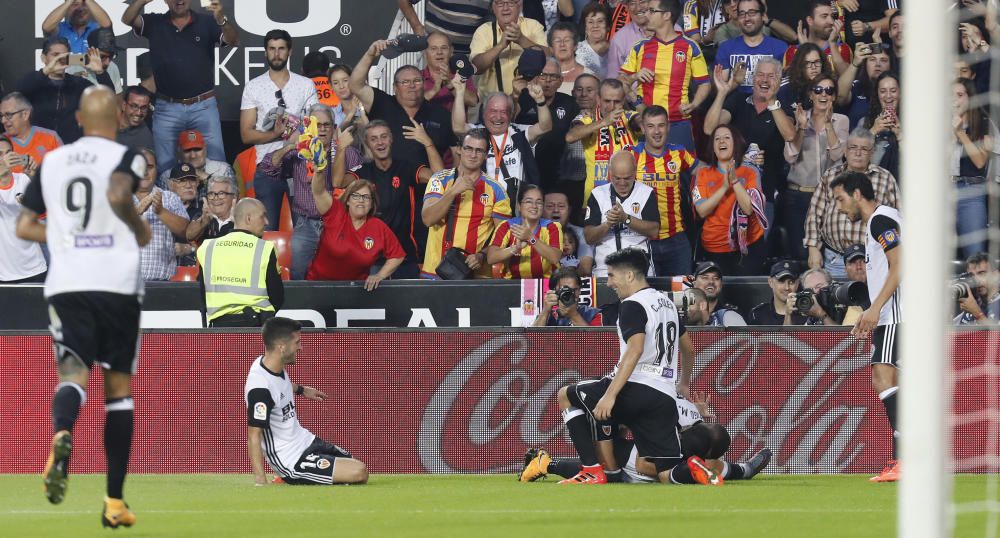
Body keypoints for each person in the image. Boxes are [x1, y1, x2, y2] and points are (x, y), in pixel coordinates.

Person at [15, 85, 151, 528]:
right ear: (116, 116)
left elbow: (23, 225)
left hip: (67, 283)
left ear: (77, 119)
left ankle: (63, 429)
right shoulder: (127, 155)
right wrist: (136, 226)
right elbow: (116, 193)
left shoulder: (53, 161)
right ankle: (114, 502)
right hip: (115, 283)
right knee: (118, 392)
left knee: (73, 373)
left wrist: (68, 239)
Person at [554, 247, 718, 485]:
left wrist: (610, 395)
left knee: (566, 395)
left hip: (636, 388)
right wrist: (683, 384)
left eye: (611, 275)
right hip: (664, 396)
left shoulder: (632, 304)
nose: (609, 282)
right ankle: (692, 469)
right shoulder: (668, 303)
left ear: (629, 276)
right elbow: (689, 349)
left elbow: (635, 349)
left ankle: (593, 470)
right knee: (665, 473)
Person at [521, 391, 773, 483]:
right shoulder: (689, 409)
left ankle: (546, 463)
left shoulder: (650, 393)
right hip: (692, 444)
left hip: (654, 449)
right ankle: (739, 469)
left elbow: (641, 450)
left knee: (626, 467)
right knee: (700, 466)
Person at [829, 171, 902, 483]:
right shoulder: (888, 219)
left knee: (882, 377)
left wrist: (875, 308)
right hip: (900, 312)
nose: (840, 207)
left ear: (858, 193)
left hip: (897, 313)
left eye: (841, 199)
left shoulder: (880, 220)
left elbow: (901, 263)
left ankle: (906, 460)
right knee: (894, 382)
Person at [246, 317, 368, 486]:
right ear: (281, 347)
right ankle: (288, 477)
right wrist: (260, 480)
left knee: (355, 463)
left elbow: (279, 386)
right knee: (359, 472)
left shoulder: (268, 363)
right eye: (297, 342)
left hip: (305, 440)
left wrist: (302, 390)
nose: (300, 347)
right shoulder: (260, 389)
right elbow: (254, 435)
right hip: (291, 459)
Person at [122, 0, 239, 173]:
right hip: (167, 108)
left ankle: (216, 200)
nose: (179, 1)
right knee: (165, 168)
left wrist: (221, 19)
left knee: (217, 166)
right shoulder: (155, 22)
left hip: (203, 106)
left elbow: (233, 40)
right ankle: (170, 201)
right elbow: (127, 19)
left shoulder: (207, 22)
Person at [258, 104, 357, 278]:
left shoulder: (347, 153)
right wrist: (290, 146)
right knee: (298, 274)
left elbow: (359, 184)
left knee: (343, 274)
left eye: (326, 125)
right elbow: (267, 168)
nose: (322, 129)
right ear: (309, 127)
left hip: (340, 225)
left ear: (334, 129)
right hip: (306, 225)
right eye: (317, 125)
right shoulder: (299, 153)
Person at [336, 120, 443, 279]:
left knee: (406, 304)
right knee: (374, 304)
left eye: (384, 137)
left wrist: (428, 143)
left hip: (405, 256)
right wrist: (341, 148)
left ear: (391, 139)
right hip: (372, 257)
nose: (380, 142)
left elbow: (439, 177)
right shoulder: (364, 171)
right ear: (367, 144)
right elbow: (337, 182)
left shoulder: (406, 168)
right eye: (373, 139)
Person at [240, 29, 319, 230]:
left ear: (290, 51)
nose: (277, 54)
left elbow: (315, 126)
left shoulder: (305, 85)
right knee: (265, 230)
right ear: (265, 52)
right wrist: (275, 134)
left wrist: (297, 130)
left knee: (305, 231)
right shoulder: (254, 86)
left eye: (281, 49)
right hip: (267, 166)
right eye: (272, 49)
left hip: (300, 165)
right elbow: (246, 135)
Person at [703, 60, 796, 220]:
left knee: (759, 244)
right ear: (753, 79)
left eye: (771, 76)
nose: (765, 80)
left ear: (779, 82)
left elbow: (789, 135)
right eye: (760, 75)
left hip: (765, 193)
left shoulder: (783, 107)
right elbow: (709, 129)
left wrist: (772, 102)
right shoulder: (738, 100)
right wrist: (722, 93)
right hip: (731, 190)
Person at [804, 128, 899, 279]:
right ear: (845, 151)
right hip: (836, 258)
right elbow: (815, 214)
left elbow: (896, 219)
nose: (858, 153)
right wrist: (813, 248)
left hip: (872, 258)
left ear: (872, 152)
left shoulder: (885, 178)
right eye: (853, 147)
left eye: (864, 149)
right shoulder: (830, 176)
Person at [619, 0, 710, 153]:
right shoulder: (639, 46)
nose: (646, 14)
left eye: (651, 11)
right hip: (646, 123)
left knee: (683, 174)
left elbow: (704, 83)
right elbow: (620, 81)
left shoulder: (690, 47)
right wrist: (635, 76)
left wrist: (693, 104)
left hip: (678, 124)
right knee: (645, 174)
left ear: (667, 15)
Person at [420, 129, 513, 278]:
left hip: (476, 277)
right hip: (434, 273)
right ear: (459, 149)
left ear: (485, 155)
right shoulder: (440, 179)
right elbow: (428, 219)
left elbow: (504, 237)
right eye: (468, 148)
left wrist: (482, 256)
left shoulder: (497, 190)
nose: (473, 154)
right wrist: (452, 191)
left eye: (479, 150)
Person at [351, 40, 457, 168]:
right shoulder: (382, 103)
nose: (412, 86)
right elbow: (355, 85)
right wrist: (370, 55)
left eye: (417, 81)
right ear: (395, 87)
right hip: (387, 183)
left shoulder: (441, 114)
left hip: (428, 185)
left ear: (424, 84)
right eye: (405, 82)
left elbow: (456, 152)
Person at [781, 74, 848, 261]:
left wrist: (828, 125)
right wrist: (801, 127)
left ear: (834, 96)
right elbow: (790, 156)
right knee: (802, 255)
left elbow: (837, 155)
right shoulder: (801, 118)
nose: (823, 94)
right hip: (799, 197)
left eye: (829, 90)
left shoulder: (841, 120)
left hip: (829, 198)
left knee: (828, 254)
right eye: (818, 90)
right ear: (811, 94)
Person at [631, 105, 700, 277]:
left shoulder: (679, 152)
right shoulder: (631, 155)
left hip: (676, 238)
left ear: (668, 127)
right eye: (651, 126)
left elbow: (703, 171)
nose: (656, 131)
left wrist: (729, 167)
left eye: (661, 125)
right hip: (642, 240)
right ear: (642, 128)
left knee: (684, 293)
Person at [453, 84, 550, 202]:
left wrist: (540, 101)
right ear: (484, 113)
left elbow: (545, 127)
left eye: (503, 112)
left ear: (510, 115)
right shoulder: (476, 133)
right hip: (482, 202)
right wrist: (459, 93)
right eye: (493, 111)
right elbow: (458, 127)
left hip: (516, 205)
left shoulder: (519, 132)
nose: (498, 117)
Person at [692, 124, 767, 276]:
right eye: (717, 139)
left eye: (727, 138)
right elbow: (702, 211)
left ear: (735, 144)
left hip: (748, 246)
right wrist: (724, 187)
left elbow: (748, 208)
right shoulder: (703, 174)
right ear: (712, 147)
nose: (722, 142)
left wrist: (734, 181)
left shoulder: (750, 172)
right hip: (715, 246)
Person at [196, 198, 283, 328]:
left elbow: (204, 293)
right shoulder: (265, 248)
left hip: (219, 327)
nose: (267, 222)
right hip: (256, 326)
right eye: (263, 216)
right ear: (248, 218)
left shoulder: (208, 247)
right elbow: (277, 296)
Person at [305, 178, 405, 288]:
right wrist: (319, 173)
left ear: (372, 203)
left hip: (355, 292)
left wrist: (379, 275)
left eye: (366, 197)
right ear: (348, 200)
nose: (361, 200)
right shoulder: (336, 214)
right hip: (318, 287)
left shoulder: (378, 227)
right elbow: (319, 192)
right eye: (356, 196)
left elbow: (397, 256)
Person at [583, 151, 660, 278]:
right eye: (617, 178)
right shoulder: (598, 194)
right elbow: (589, 237)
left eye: (627, 178)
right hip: (605, 270)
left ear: (635, 172)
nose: (622, 183)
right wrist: (608, 223)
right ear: (610, 173)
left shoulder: (645, 193)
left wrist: (626, 219)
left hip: (639, 270)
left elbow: (654, 231)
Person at [567, 79, 641, 207]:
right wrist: (603, 122)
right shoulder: (588, 118)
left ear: (623, 101)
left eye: (617, 102)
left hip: (630, 196)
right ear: (598, 99)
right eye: (607, 101)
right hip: (596, 197)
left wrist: (634, 97)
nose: (611, 107)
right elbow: (570, 136)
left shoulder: (630, 117)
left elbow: (649, 122)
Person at [513, 57, 579, 194]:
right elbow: (507, 121)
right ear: (536, 77)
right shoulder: (522, 98)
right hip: (523, 169)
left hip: (557, 174)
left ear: (560, 81)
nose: (548, 81)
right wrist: (515, 96)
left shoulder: (569, 103)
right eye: (543, 75)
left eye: (553, 77)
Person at [16, 37, 96, 144]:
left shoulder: (79, 84)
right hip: (38, 149)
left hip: (69, 150)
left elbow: (107, 99)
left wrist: (101, 73)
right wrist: (47, 70)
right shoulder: (33, 82)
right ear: (44, 58)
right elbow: (18, 92)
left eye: (64, 56)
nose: (60, 59)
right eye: (55, 55)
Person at [951, 77, 995, 258]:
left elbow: (980, 161)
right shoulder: (937, 124)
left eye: (960, 95)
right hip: (943, 192)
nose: (954, 100)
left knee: (974, 255)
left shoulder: (983, 122)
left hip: (971, 192)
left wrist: (960, 133)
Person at [469, 0, 551, 96]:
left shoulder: (533, 26)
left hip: (529, 99)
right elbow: (475, 68)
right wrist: (500, 46)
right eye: (500, 3)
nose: (505, 8)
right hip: (493, 104)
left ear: (519, 5)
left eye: (510, 3)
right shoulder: (483, 31)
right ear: (493, 8)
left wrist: (522, 40)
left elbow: (549, 59)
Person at [487, 185, 564, 278]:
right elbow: (491, 258)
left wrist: (530, 238)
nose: (534, 206)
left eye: (539, 202)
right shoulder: (506, 226)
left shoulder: (552, 227)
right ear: (519, 206)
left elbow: (554, 258)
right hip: (513, 284)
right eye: (528, 201)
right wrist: (515, 248)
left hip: (546, 284)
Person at [135, 152, 190, 281]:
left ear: (156, 169)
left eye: (149, 167)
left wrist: (160, 211)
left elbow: (186, 231)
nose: (144, 172)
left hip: (161, 286)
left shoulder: (170, 198)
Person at [715, 0, 787, 94]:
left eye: (752, 13)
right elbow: (720, 92)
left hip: (769, 103)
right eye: (742, 14)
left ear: (762, 16)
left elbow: (786, 90)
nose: (747, 18)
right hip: (734, 105)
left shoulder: (780, 48)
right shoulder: (725, 48)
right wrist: (735, 82)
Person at [0, 138, 47, 283]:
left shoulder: (23, 180)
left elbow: (46, 209)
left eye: (8, 153)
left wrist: (34, 177)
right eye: (0, 154)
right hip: (4, 274)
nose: (5, 158)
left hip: (35, 268)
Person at [836, 36, 892, 132]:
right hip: (856, 145)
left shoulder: (898, 89)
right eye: (872, 59)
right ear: (865, 64)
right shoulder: (857, 86)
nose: (877, 64)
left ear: (890, 65)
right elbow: (839, 97)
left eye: (883, 60)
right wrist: (855, 63)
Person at [396, 0, 492, 56]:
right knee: (435, 89)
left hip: (471, 55)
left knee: (468, 91)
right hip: (436, 53)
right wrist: (417, 27)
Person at [1, 92, 61, 177]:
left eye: (8, 115)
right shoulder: (2, 142)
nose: (3, 120)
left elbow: (65, 172)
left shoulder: (51, 137)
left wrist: (36, 176)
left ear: (25, 114)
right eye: (1, 116)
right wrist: (4, 168)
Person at [783, 1, 851, 76]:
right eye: (824, 16)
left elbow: (848, 79)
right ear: (810, 21)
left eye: (832, 16)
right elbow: (790, 81)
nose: (831, 21)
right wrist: (804, 51)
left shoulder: (841, 48)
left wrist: (833, 44)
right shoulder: (793, 51)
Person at [423, 32, 479, 113]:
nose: (439, 52)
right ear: (425, 52)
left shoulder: (461, 73)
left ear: (451, 51)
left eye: (444, 48)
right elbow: (410, 104)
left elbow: (473, 102)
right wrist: (434, 90)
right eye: (433, 48)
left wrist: (451, 85)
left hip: (456, 125)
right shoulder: (418, 76)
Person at [158, 130, 234, 188]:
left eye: (197, 149)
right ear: (179, 152)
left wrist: (208, 179)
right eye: (187, 150)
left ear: (205, 149)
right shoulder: (167, 176)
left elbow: (232, 198)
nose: (193, 156)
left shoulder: (223, 169)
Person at [544, 190, 594, 275]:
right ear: (541, 210)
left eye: (561, 206)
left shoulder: (582, 234)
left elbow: (585, 270)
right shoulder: (534, 233)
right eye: (549, 206)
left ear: (569, 210)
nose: (556, 210)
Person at [861, 72, 900, 180]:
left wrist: (900, 135)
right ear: (877, 94)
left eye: (893, 91)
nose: (888, 96)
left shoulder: (913, 122)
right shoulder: (865, 122)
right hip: (874, 186)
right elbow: (854, 157)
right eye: (883, 91)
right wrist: (873, 131)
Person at [532, 266, 603, 326]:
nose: (570, 294)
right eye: (564, 290)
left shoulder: (593, 314)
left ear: (580, 290)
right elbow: (532, 340)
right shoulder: (547, 316)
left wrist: (573, 315)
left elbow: (596, 341)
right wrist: (545, 312)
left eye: (573, 290)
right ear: (553, 291)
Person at [42, 0, 113, 53]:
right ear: (67, 8)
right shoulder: (59, 28)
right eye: (75, 4)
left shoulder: (96, 28)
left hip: (92, 72)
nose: (80, 9)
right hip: (63, 72)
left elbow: (107, 25)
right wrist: (69, 2)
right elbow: (46, 27)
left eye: (84, 4)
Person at [749, 260, 807, 325]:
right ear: (770, 282)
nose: (787, 287)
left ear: (798, 283)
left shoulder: (807, 314)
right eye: (781, 281)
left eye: (791, 282)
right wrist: (788, 315)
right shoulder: (758, 314)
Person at [690, 261, 746, 326]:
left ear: (721, 285)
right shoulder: (683, 314)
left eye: (716, 278)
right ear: (694, 284)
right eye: (705, 278)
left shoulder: (729, 315)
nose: (711, 281)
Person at [185, 175, 238, 244]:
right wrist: (204, 221)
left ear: (234, 197)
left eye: (221, 193)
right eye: (211, 194)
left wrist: (237, 222)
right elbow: (189, 235)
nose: (216, 198)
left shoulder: (243, 216)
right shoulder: (203, 216)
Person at [779, 42, 834, 107]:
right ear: (800, 65)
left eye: (817, 62)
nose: (813, 67)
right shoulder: (785, 88)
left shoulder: (830, 84)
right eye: (807, 63)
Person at [606, 0, 650, 79]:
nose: (638, 8)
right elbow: (613, 80)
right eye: (632, 3)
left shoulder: (673, 30)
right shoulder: (618, 39)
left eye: (643, 1)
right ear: (627, 7)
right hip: (632, 91)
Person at [954, 252, 1000, 326]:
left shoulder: (973, 307)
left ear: (997, 275)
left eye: (981, 273)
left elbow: (996, 336)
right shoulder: (970, 304)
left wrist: (977, 313)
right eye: (971, 275)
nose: (976, 280)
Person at [548, 22, 591, 95]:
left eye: (567, 40)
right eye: (557, 41)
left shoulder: (590, 77)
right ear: (551, 48)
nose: (562, 44)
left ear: (575, 46)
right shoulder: (541, 78)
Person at [575, 2, 611, 76]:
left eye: (600, 21)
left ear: (608, 26)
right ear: (585, 26)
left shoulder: (618, 49)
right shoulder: (575, 50)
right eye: (590, 22)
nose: (595, 26)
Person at [329, 64, 368, 129]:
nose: (341, 86)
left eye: (345, 81)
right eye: (336, 83)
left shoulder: (367, 107)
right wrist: (351, 113)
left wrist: (362, 112)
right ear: (331, 86)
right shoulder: (331, 114)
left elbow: (373, 135)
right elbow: (335, 136)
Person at [116, 86, 154, 151]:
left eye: (144, 107)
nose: (139, 113)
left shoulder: (147, 135)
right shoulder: (105, 126)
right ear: (124, 106)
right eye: (134, 106)